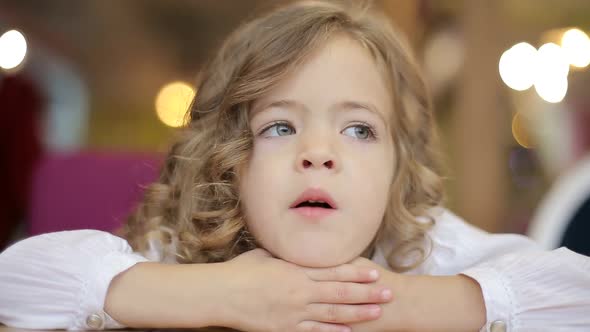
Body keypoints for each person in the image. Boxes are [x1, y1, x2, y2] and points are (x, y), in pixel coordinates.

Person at [1, 1, 589, 331]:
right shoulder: (185, 253)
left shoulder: (418, 246)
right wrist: (226, 295)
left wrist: (391, 306)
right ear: (230, 164)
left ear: (396, 172)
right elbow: (14, 280)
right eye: (281, 127)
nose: (319, 152)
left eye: (359, 129)